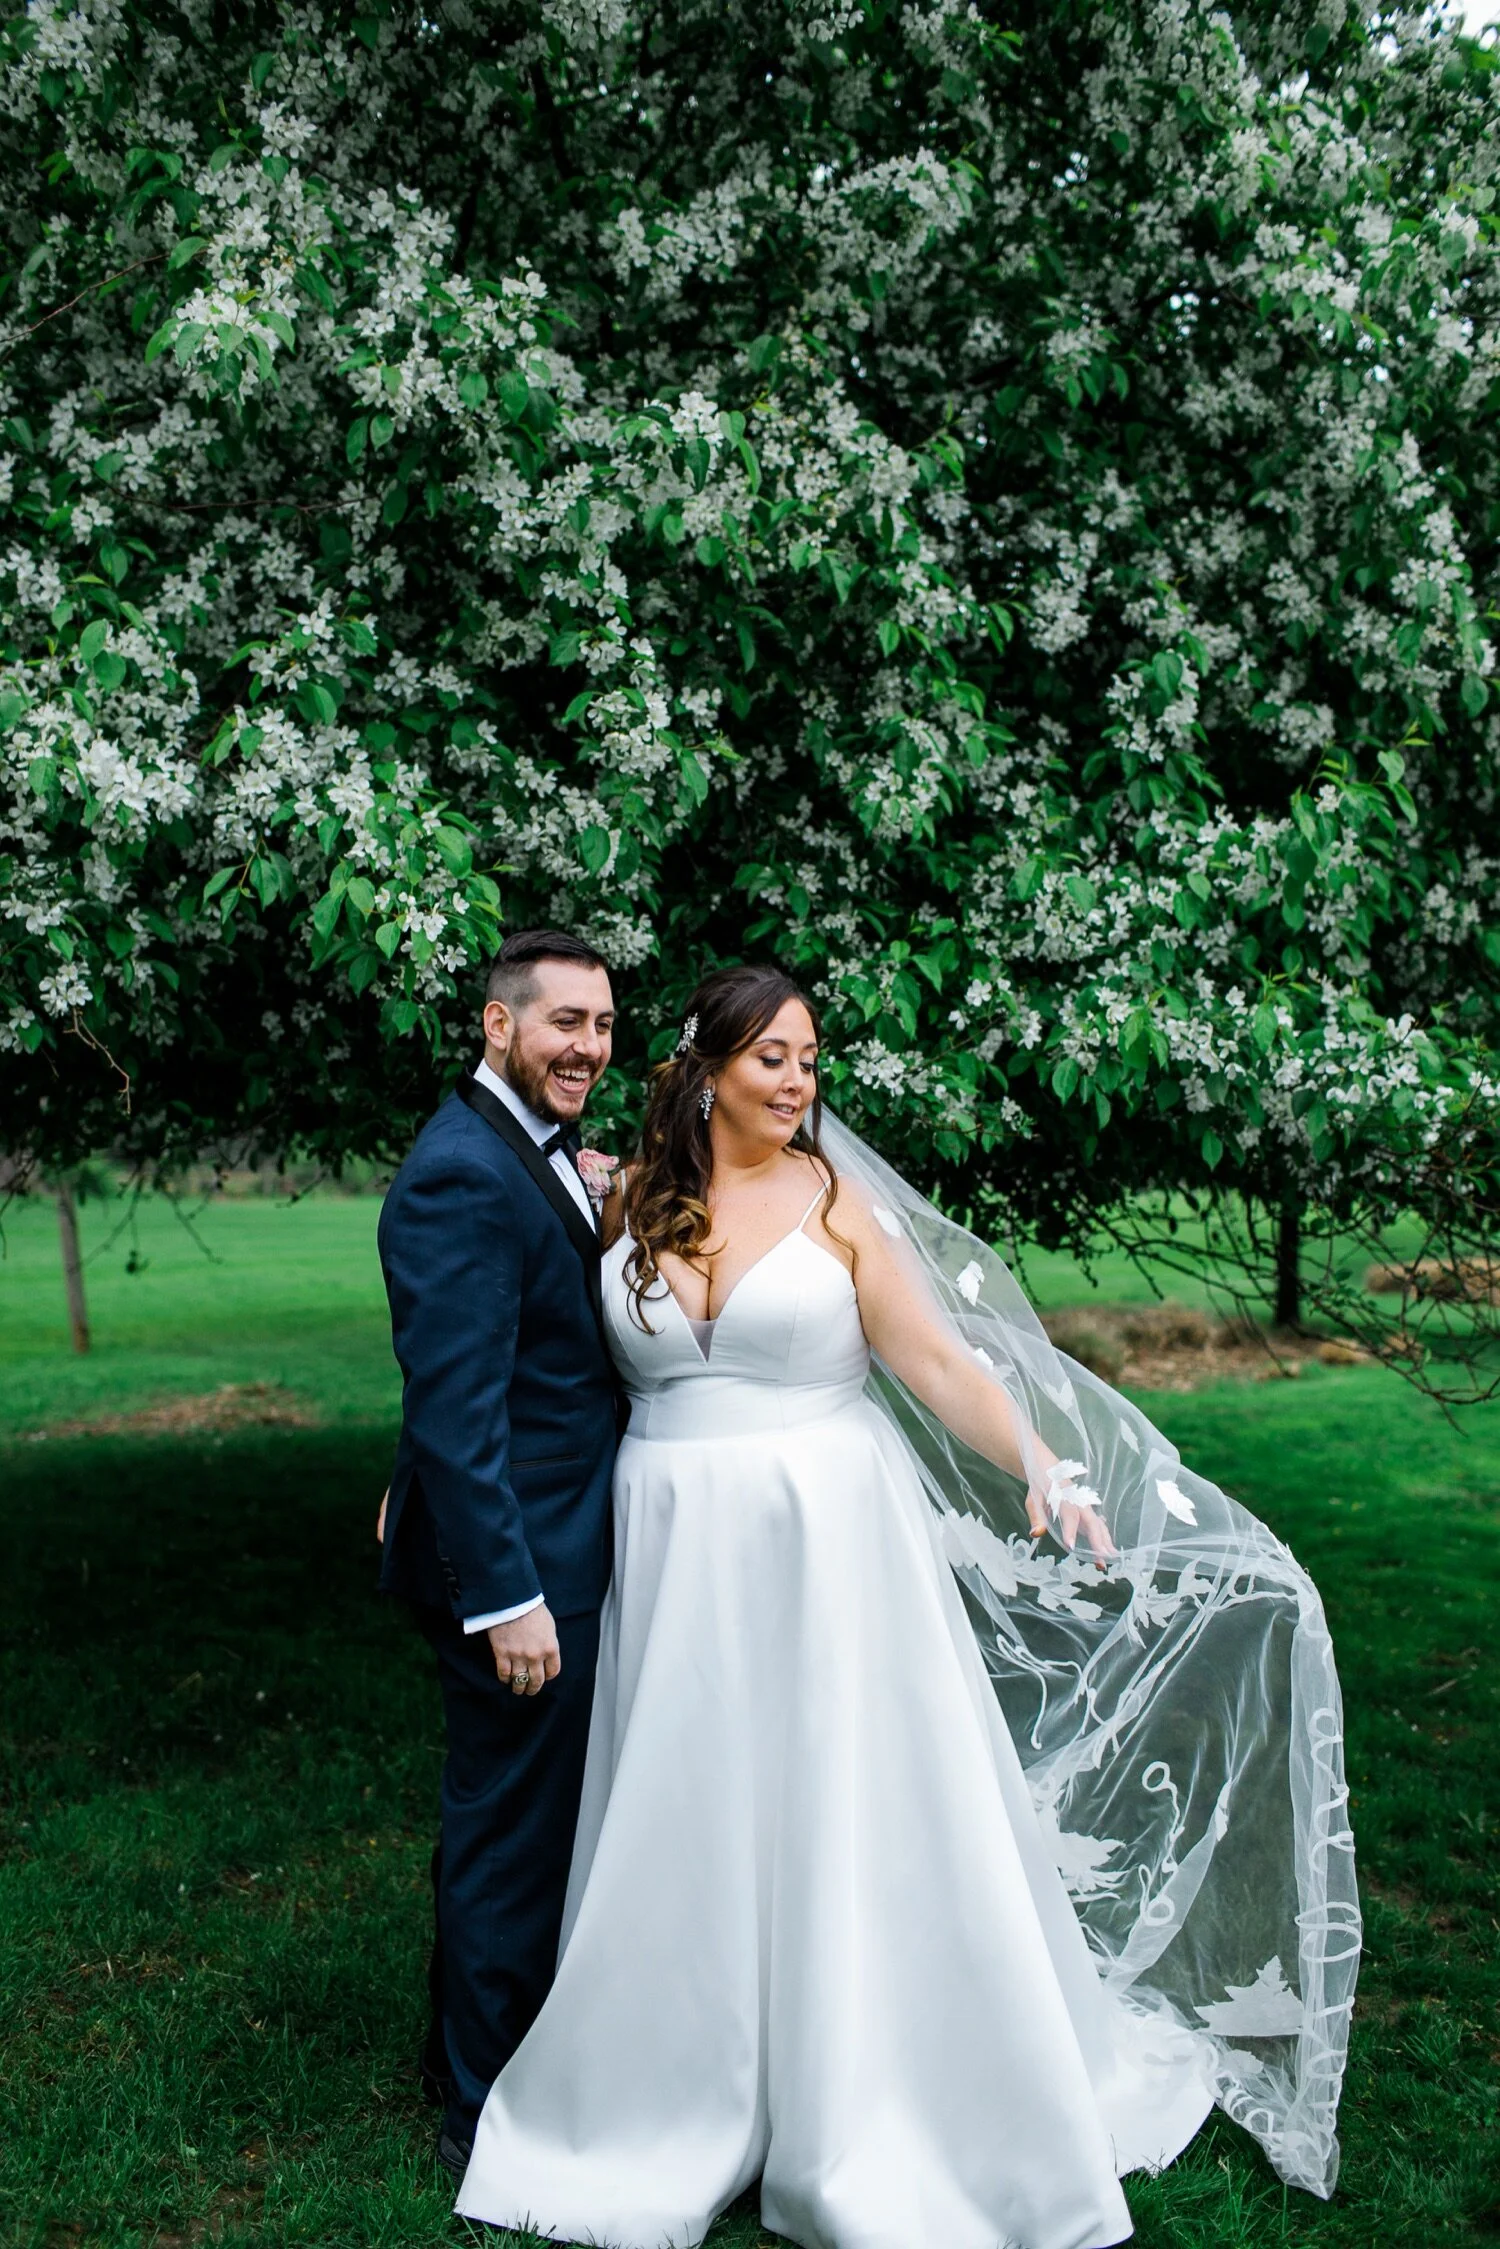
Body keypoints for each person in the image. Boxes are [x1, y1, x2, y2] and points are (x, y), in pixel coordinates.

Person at [455, 964, 1359, 2249]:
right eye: (771, 1056)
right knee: (690, 1797)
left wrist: (1037, 1457)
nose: (797, 1080)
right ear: (707, 1070)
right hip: (671, 1542)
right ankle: (677, 2074)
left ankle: (863, 2083)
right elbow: (525, 1358)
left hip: (830, 1544)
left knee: (841, 1796)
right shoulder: (626, 1197)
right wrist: (421, 1477)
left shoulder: (835, 1200)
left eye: (809, 1057)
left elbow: (936, 1356)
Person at [376, 928, 619, 2184]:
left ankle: (465, 2061)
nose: (588, 1047)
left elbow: (488, 1358)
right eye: (564, 1022)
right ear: (498, 1023)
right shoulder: (462, 1173)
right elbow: (457, 1405)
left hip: (551, 1538)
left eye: (603, 1025)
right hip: (525, 1568)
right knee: (511, 1838)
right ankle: (484, 2113)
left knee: (514, 1818)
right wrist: (507, 1594)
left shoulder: (528, 1148)